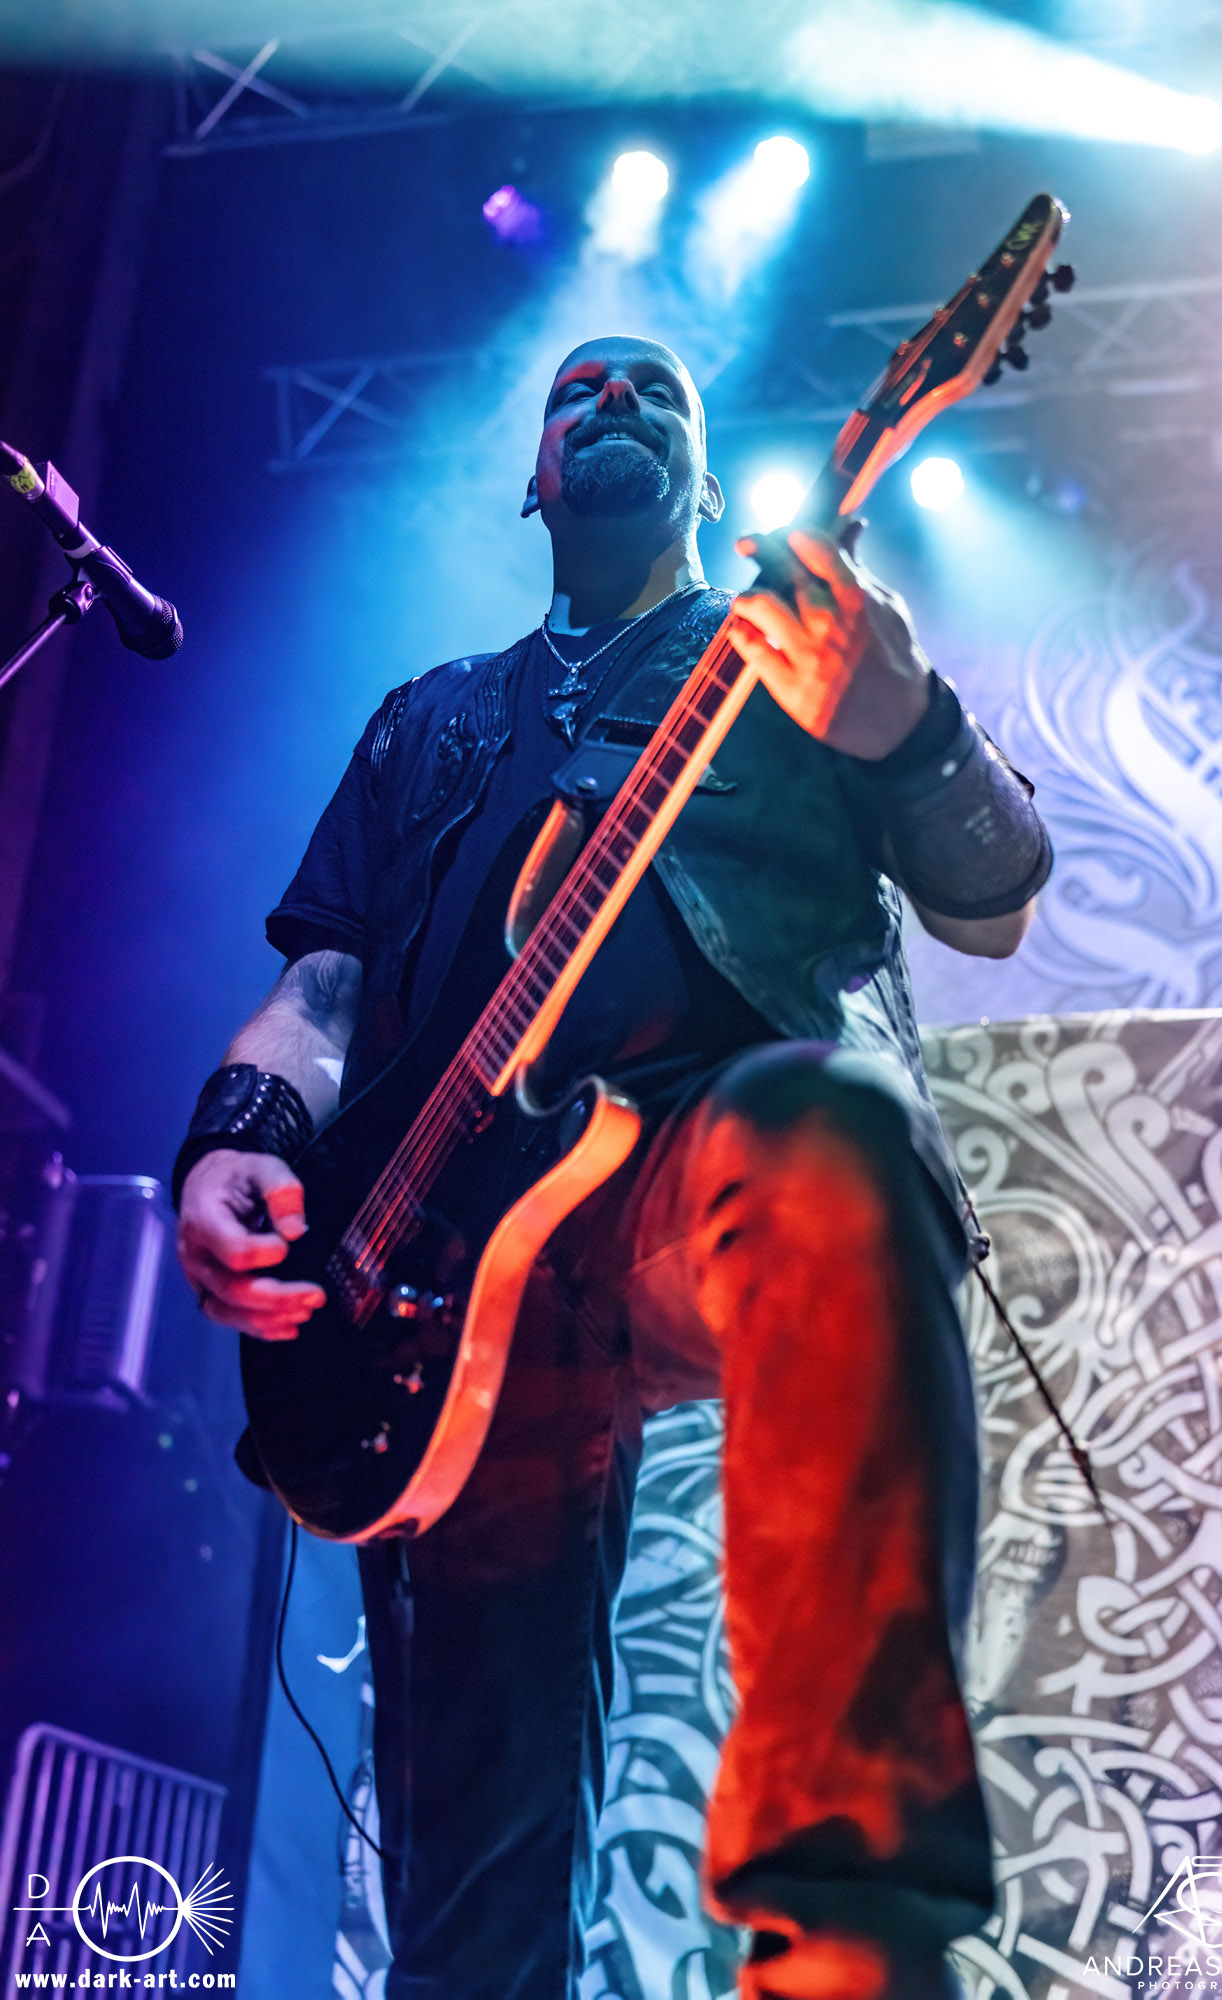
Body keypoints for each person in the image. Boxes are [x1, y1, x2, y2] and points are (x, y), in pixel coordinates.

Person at [174, 336, 1052, 2000]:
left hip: (681, 1178)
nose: (614, 402)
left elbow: (995, 899)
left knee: (831, 1140)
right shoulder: (426, 719)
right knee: (475, 1894)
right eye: (577, 390)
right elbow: (323, 991)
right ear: (531, 480)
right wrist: (236, 1134)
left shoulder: (785, 653)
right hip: (433, 1268)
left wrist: (906, 724)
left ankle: (849, 1931)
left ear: (708, 485)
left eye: (656, 390)